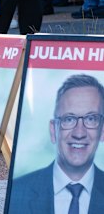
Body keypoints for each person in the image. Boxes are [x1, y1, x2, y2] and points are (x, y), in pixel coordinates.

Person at [8, 74, 104, 213]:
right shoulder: (14, 194)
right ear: (53, 130)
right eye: (69, 119)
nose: (79, 133)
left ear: (102, 131)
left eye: (91, 119)